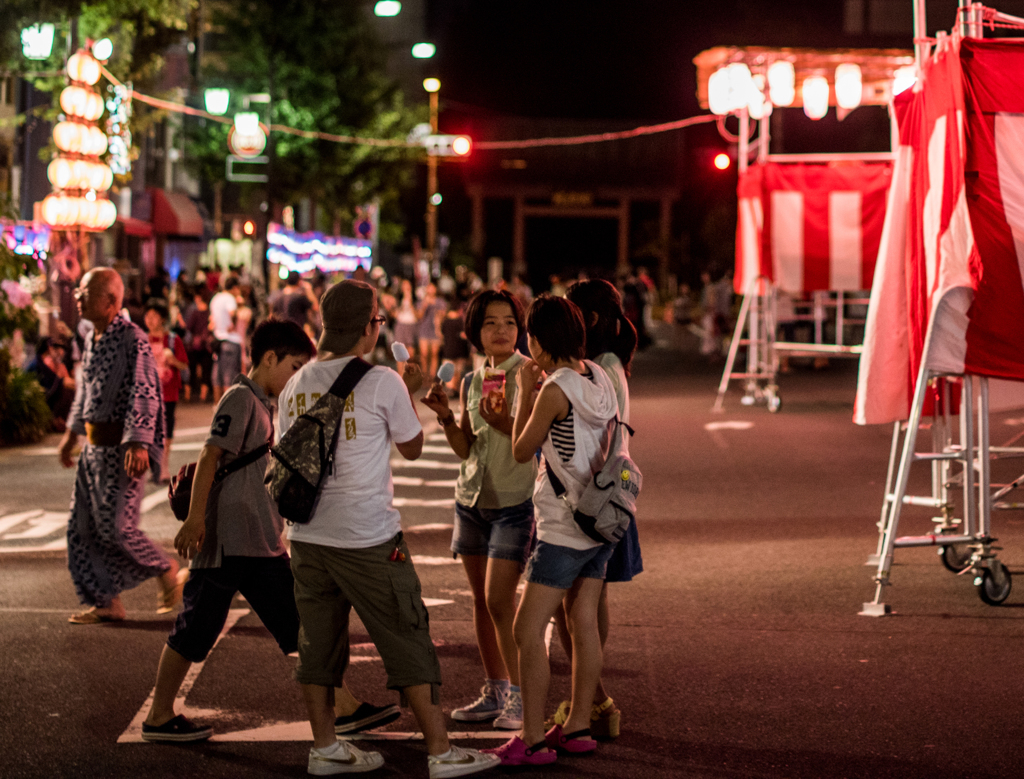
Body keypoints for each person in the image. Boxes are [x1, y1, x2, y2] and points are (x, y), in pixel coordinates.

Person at [278, 279, 499, 778]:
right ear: (367, 328)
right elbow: (413, 447)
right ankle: (441, 751)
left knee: (318, 642)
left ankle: (326, 747)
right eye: (377, 320)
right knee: (406, 632)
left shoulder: (296, 384)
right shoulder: (382, 381)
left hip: (307, 535)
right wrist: (414, 390)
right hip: (367, 534)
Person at [484, 295, 618, 766]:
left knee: (526, 629)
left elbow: (522, 450)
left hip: (563, 527)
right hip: (603, 518)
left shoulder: (554, 389)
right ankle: (579, 725)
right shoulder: (599, 377)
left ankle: (532, 738)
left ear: (538, 342)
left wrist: (524, 389)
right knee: (584, 622)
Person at [420, 290, 537, 732]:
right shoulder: (470, 381)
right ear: (475, 331)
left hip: (514, 500)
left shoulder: (530, 374)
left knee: (499, 600)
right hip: (471, 500)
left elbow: (532, 442)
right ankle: (497, 689)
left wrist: (505, 421)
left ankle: (525, 696)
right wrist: (447, 419)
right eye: (491, 323)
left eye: (509, 321)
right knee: (481, 603)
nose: (502, 330)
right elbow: (466, 449)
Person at [542, 279, 642, 739]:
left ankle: (594, 700)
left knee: (578, 606)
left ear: (591, 321)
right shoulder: (609, 364)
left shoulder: (596, 367)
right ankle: (594, 702)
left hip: (592, 498)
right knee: (586, 603)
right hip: (609, 495)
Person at [57, 268, 187, 625]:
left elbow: (145, 391)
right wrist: (70, 436)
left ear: (111, 301)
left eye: (86, 292)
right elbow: (84, 393)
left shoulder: (133, 339)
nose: (79, 298)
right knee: (82, 527)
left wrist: (139, 442)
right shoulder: (90, 339)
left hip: (122, 449)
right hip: (93, 449)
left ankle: (166, 569)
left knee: (117, 528)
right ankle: (106, 602)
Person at [144, 300, 189, 483]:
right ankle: (151, 466)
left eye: (154, 316)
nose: (150, 320)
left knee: (166, 432)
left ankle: (162, 467)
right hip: (146, 394)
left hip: (168, 393)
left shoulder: (172, 339)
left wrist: (172, 361)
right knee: (147, 430)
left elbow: (184, 365)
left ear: (162, 319)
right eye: (148, 316)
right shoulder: (142, 339)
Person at [26, 335, 76, 431]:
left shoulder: (38, 361)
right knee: (66, 391)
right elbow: (56, 382)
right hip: (42, 397)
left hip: (43, 395)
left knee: (68, 389)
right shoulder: (39, 364)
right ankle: (64, 422)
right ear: (49, 347)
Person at [210, 277, 243, 403]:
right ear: (234, 288)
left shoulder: (215, 298)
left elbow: (212, 319)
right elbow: (232, 313)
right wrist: (233, 325)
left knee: (218, 376)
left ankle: (217, 406)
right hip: (230, 340)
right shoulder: (230, 298)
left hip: (218, 340)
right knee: (230, 376)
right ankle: (230, 406)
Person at [184, 285, 214, 402]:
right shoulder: (210, 312)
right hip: (206, 345)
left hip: (194, 345)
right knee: (206, 370)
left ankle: (187, 395)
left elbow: (188, 327)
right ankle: (203, 396)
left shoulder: (194, 312)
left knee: (191, 369)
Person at [439, 298, 469, 394]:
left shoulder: (445, 321)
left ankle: (450, 387)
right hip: (460, 350)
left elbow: (441, 334)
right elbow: (464, 335)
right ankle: (454, 388)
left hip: (448, 350)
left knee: (449, 371)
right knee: (457, 372)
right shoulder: (461, 321)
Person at [417, 283, 446, 378]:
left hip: (435, 330)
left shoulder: (440, 302)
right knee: (424, 353)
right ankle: (424, 373)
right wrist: (424, 305)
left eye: (432, 288)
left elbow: (443, 314)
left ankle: (432, 376)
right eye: (429, 288)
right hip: (424, 330)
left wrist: (439, 312)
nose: (431, 290)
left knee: (434, 353)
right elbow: (419, 316)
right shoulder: (422, 301)